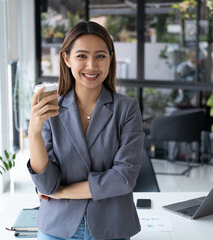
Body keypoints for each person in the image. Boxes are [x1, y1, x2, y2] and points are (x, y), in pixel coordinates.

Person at [27, 21, 144, 240]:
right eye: (82, 56)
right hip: (57, 227)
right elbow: (46, 184)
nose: (91, 65)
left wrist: (61, 192)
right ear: (67, 58)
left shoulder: (127, 109)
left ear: (110, 59)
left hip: (112, 226)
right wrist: (34, 132)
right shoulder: (52, 110)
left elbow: (123, 178)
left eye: (100, 56)